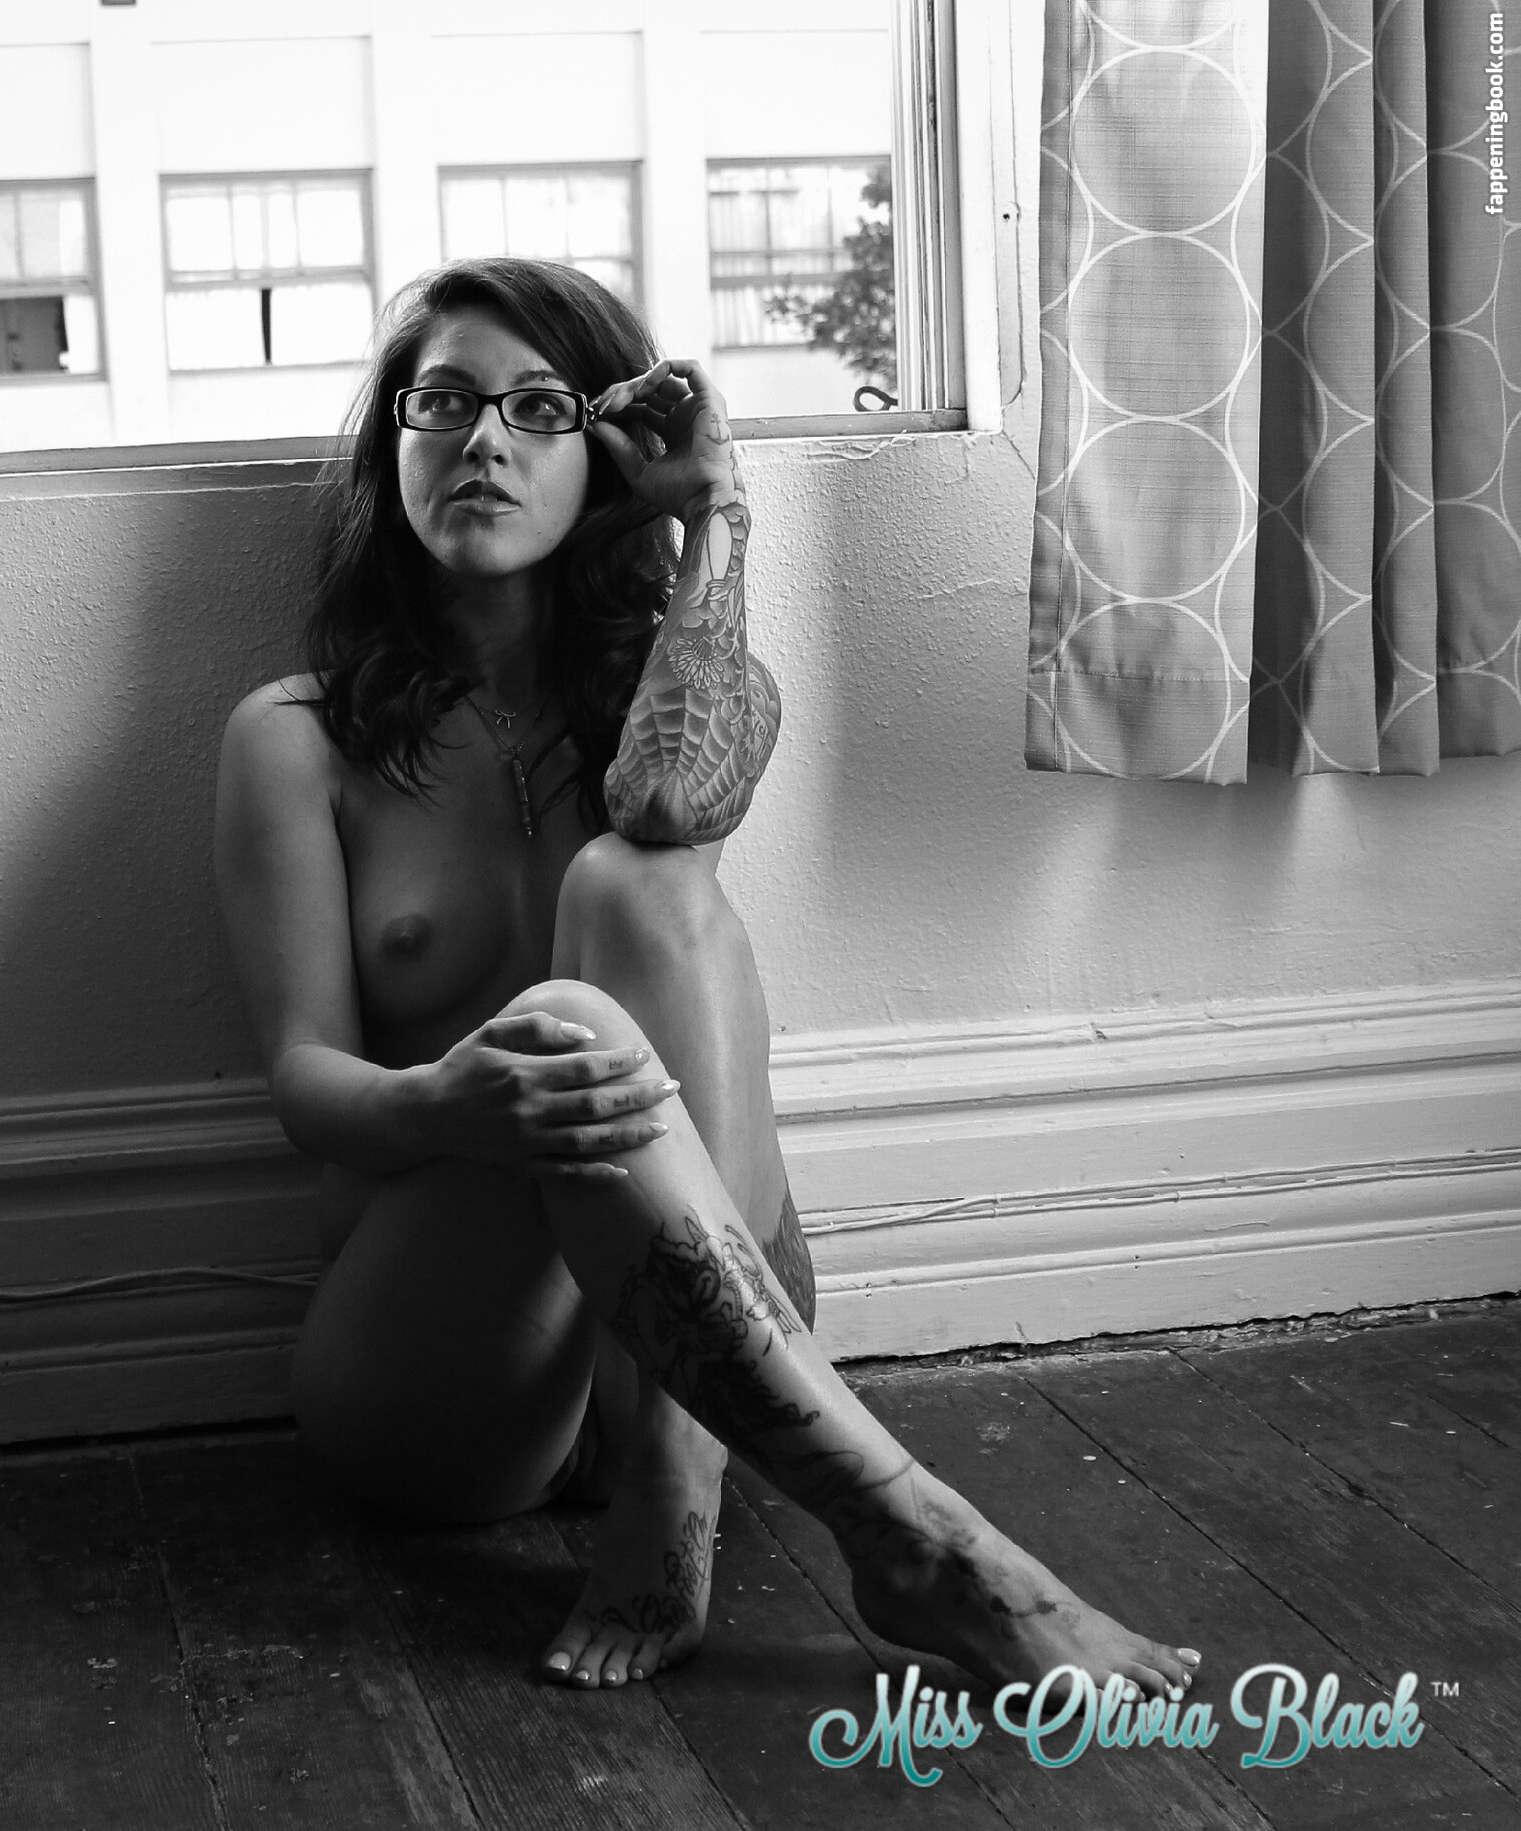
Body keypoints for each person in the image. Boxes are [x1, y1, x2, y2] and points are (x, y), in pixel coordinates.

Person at [214, 257, 1200, 1700]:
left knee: (636, 880)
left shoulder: (675, 684)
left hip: (695, 1344)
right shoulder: (295, 737)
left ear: (604, 455)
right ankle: (910, 1534)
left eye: (537, 409)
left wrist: (715, 515)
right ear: (394, 445)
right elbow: (307, 1083)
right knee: (562, 1023)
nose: (482, 441)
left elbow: (671, 805)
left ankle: (674, 1483)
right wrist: (451, 1102)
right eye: (442, 402)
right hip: (452, 1355)